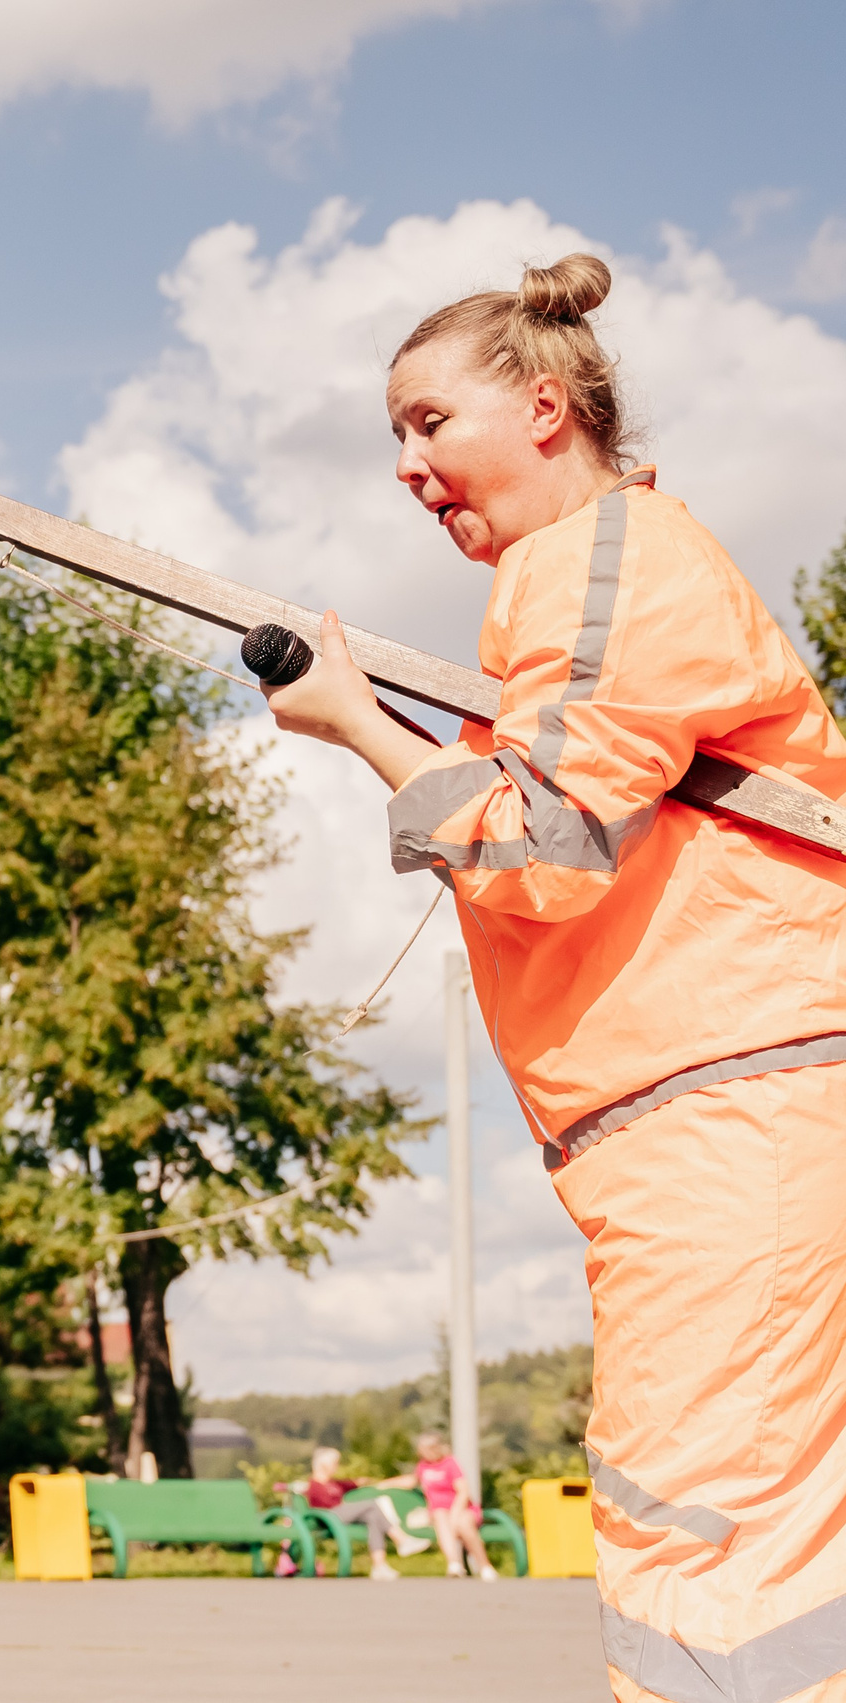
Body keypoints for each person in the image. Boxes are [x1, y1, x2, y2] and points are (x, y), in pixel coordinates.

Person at [267, 255, 846, 1690]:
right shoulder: (595, 574)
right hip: (733, 1110)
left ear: (543, 408)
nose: (407, 464)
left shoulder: (600, 560)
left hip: (727, 1118)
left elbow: (541, 842)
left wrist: (355, 726)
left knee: (697, 1525)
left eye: (426, 421)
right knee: (772, 1533)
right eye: (391, 438)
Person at [367, 1433, 496, 1582]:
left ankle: (485, 1566)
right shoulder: (423, 1465)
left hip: (460, 1508)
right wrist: (385, 1484)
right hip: (438, 1512)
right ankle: (454, 1563)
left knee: (463, 1524)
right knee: (440, 1516)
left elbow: (463, 1492)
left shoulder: (450, 1463)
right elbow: (411, 1481)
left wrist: (454, 1513)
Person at [286, 1446, 429, 1580]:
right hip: (327, 1518)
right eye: (334, 1463)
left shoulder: (335, 1483)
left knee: (373, 1517)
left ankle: (379, 1566)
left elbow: (359, 1483)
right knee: (372, 1505)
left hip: (340, 1515)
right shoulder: (314, 1485)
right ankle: (401, 1539)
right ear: (323, 1465)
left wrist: (387, 1482)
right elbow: (323, 1506)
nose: (337, 1467)